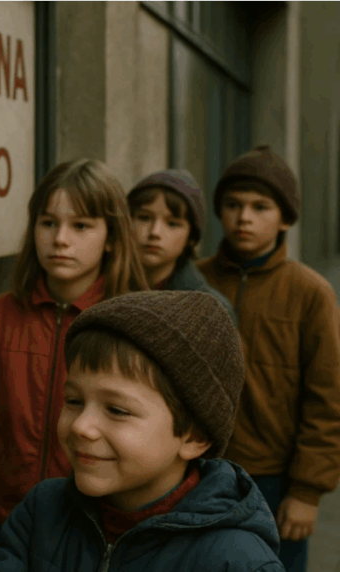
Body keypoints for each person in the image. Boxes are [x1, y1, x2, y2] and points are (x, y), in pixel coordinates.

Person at [0, 291, 285, 572]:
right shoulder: (43, 511)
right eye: (74, 401)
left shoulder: (236, 561)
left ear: (193, 437)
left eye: (117, 410)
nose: (82, 426)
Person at [0, 159, 148, 568]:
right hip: (6, 523)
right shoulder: (2, 316)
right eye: (48, 223)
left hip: (95, 529)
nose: (60, 239)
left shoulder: (131, 319)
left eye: (81, 226)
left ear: (111, 237)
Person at [196, 145, 340, 572]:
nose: (244, 217)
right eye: (233, 205)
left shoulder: (309, 292)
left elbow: (327, 398)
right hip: (198, 468)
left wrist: (307, 491)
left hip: (273, 479)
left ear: (285, 218)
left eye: (260, 207)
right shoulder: (195, 279)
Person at [127, 168, 236, 324]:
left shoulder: (209, 310)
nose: (155, 232)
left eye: (172, 224)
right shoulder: (103, 288)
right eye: (144, 218)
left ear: (191, 238)